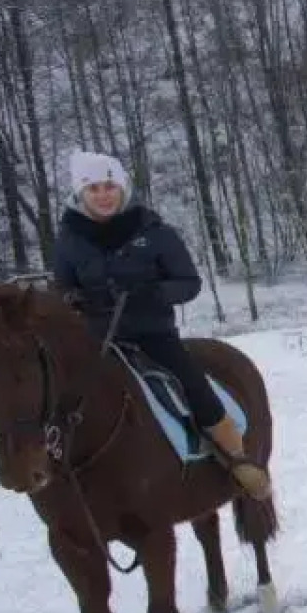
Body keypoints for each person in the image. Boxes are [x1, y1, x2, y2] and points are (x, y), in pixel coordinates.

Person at [51, 151, 272, 501]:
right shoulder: (68, 240)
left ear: (123, 188)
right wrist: (74, 301)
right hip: (95, 340)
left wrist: (153, 292)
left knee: (193, 382)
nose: (103, 194)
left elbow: (189, 282)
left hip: (152, 334)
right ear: (80, 194)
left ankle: (237, 458)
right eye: (93, 188)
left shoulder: (155, 233)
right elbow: (59, 288)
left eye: (110, 186)